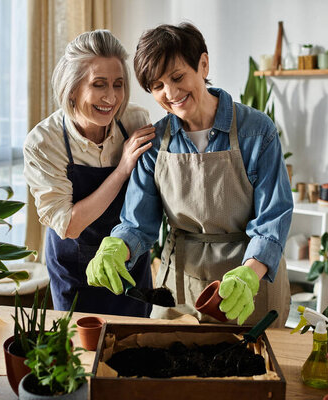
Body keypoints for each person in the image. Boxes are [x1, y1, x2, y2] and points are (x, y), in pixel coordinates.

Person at [86, 22, 292, 327]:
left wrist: (250, 273)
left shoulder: (257, 132)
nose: (171, 93)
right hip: (181, 285)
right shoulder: (154, 143)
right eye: (157, 86)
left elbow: (273, 219)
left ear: (203, 64)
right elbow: (137, 224)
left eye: (177, 77)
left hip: (250, 284)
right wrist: (118, 246)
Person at [24, 30, 155, 317]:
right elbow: (70, 225)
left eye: (118, 85)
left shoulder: (134, 121)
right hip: (75, 272)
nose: (111, 97)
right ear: (72, 89)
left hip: (130, 264)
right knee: (81, 352)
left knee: (136, 349)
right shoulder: (45, 143)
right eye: (99, 84)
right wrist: (122, 169)